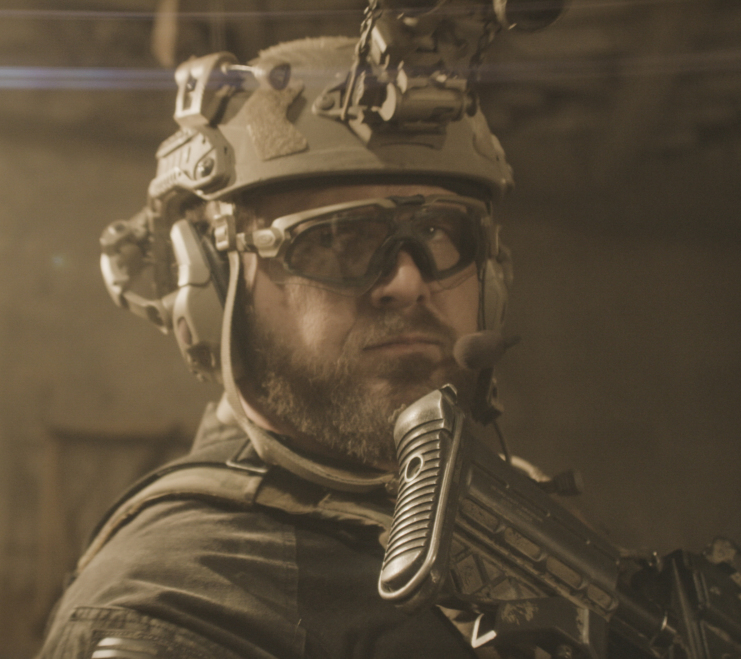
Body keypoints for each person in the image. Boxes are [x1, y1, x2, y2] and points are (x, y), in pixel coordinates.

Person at [39, 5, 538, 657]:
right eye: (337, 239)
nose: (408, 281)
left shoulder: (509, 520)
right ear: (213, 289)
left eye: (442, 234)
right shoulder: (176, 610)